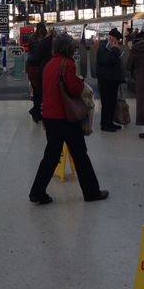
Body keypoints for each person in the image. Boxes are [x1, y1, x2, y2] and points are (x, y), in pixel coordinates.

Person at [29, 33, 109, 204]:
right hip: (66, 118)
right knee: (80, 155)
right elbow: (74, 90)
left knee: (51, 156)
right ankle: (91, 192)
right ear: (69, 48)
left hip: (50, 117)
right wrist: (80, 82)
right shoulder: (68, 64)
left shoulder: (49, 64)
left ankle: (37, 192)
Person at [96, 28, 125, 132]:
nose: (118, 42)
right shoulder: (103, 46)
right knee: (106, 102)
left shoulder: (111, 46)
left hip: (113, 79)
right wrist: (116, 50)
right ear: (112, 37)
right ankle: (105, 124)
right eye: (117, 39)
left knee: (112, 102)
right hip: (106, 79)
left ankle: (110, 122)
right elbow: (106, 60)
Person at [26, 22, 47, 123]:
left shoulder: (44, 38)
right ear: (38, 29)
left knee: (39, 91)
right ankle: (35, 112)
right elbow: (39, 49)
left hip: (41, 67)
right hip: (33, 67)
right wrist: (46, 39)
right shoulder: (32, 39)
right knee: (38, 90)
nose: (42, 32)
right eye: (41, 29)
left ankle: (35, 111)